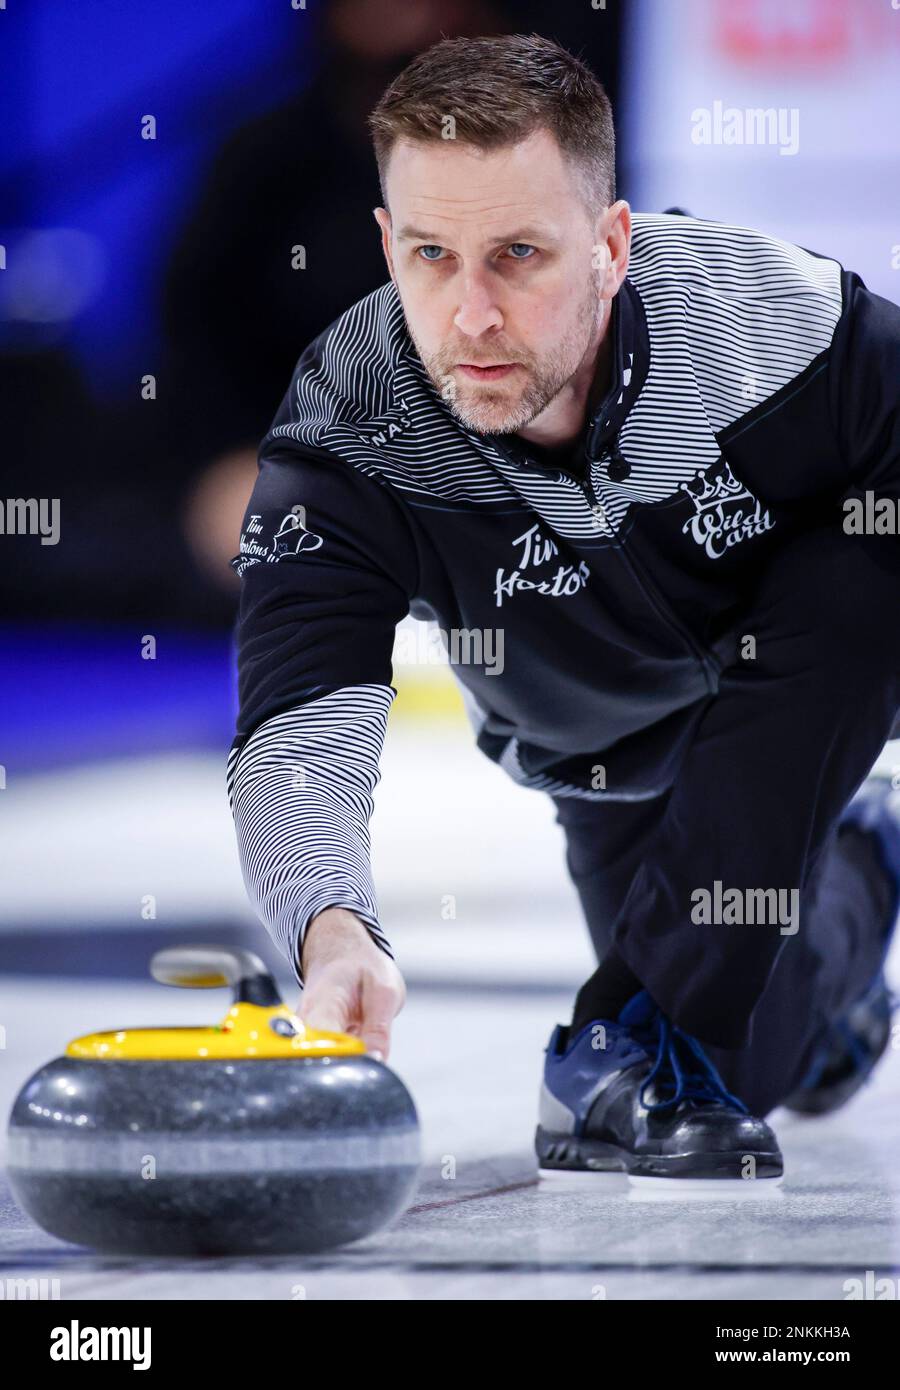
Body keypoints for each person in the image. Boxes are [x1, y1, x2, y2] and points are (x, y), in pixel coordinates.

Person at [227, 33, 900, 1186]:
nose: (473, 316)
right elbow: (297, 731)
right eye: (432, 255)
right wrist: (330, 930)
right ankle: (862, 869)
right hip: (603, 756)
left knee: (875, 561)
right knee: (741, 1063)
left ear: (612, 245)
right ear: (387, 244)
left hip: (793, 671)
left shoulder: (776, 326)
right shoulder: (347, 433)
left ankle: (627, 1029)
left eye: (520, 256)